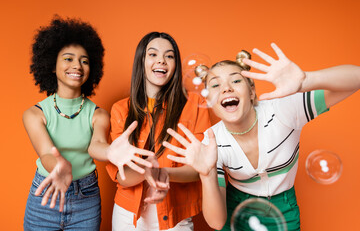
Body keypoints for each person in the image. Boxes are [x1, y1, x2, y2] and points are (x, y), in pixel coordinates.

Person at [163, 43, 360, 231]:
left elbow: (357, 78)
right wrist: (207, 175)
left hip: (284, 208)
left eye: (236, 80)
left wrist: (306, 80)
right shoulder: (212, 141)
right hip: (234, 209)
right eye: (215, 85)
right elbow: (217, 222)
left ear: (252, 92)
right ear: (209, 101)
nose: (226, 88)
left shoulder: (283, 110)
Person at [23, 16, 154, 231]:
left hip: (86, 197)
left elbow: (96, 145)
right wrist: (59, 166)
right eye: (68, 59)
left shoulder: (98, 114)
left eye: (84, 60)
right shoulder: (34, 114)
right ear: (51, 66)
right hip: (45, 195)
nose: (77, 65)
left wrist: (110, 151)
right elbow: (46, 153)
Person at [106, 32, 211, 230]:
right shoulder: (120, 109)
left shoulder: (196, 105)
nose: (161, 61)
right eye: (153, 54)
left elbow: (199, 169)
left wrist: (161, 172)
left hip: (176, 215)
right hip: (128, 216)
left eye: (169, 56)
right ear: (141, 60)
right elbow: (122, 177)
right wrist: (147, 171)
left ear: (176, 65)